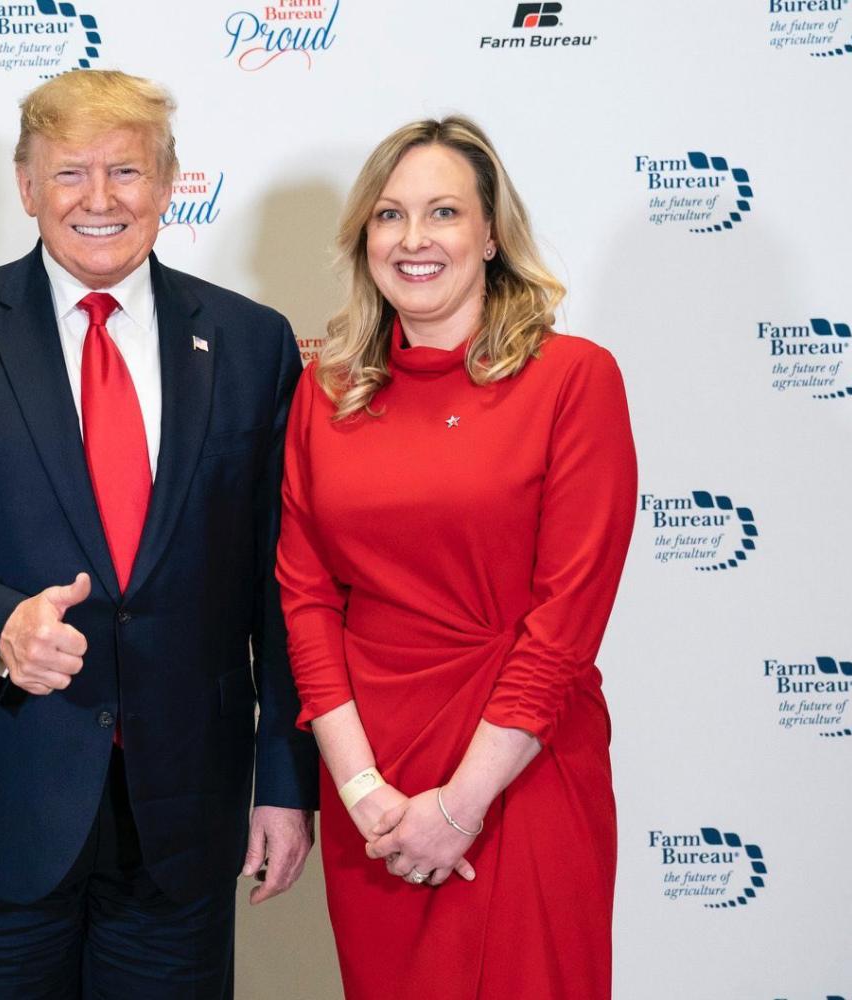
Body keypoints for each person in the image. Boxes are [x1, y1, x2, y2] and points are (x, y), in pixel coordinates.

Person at [0, 70, 318, 998]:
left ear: (169, 183)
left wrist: (287, 782)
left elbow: (282, 580)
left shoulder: (254, 343)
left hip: (183, 817)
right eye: (70, 174)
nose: (100, 200)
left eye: (127, 172)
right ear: (24, 186)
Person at [276, 116, 636, 999]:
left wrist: (461, 804)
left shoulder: (573, 379)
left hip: (520, 772)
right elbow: (306, 600)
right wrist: (363, 793)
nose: (414, 239)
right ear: (365, 238)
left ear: (490, 234)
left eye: (443, 212)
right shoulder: (325, 395)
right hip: (375, 787)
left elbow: (566, 623)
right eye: (390, 216)